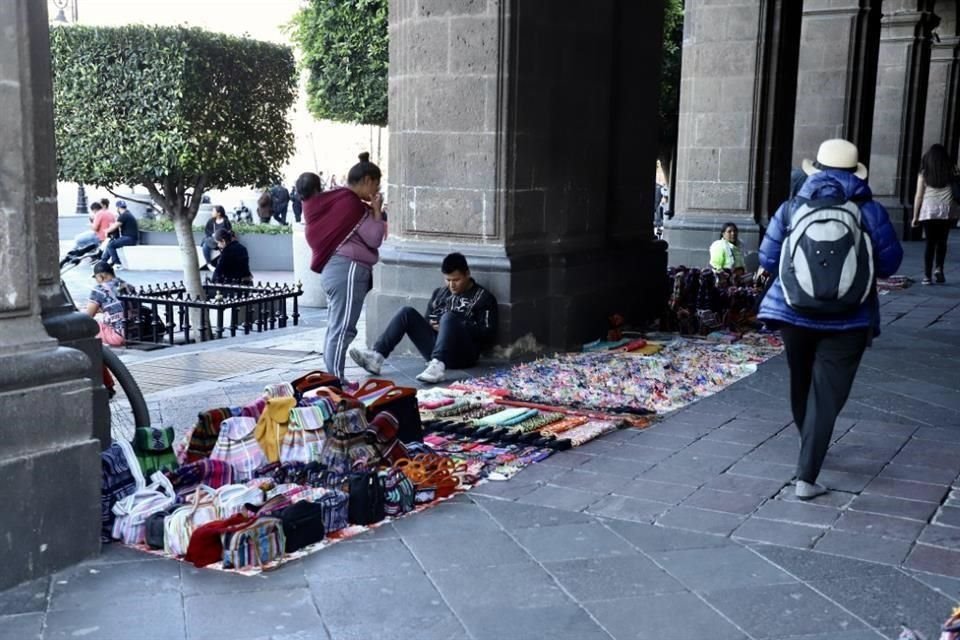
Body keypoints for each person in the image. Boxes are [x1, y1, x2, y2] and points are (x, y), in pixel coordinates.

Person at [758, 138, 902, 500]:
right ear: (856, 172)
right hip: (849, 319)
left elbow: (767, 257)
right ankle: (806, 476)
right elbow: (890, 263)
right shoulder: (869, 210)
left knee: (801, 382)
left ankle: (810, 443)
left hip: (794, 311)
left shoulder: (793, 206)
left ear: (817, 169)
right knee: (826, 395)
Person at [302, 152, 386, 384]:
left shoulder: (337, 198)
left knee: (336, 327)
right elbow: (374, 237)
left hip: (335, 269)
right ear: (368, 180)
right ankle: (336, 381)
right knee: (343, 328)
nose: (377, 189)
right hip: (347, 270)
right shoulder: (350, 204)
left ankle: (333, 377)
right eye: (376, 183)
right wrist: (377, 211)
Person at [350, 253, 498, 384]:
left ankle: (438, 367)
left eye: (456, 280)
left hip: (464, 354)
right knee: (406, 312)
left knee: (448, 317)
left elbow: (488, 333)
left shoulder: (483, 298)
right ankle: (377, 357)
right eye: (447, 280)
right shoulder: (440, 293)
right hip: (435, 349)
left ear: (467, 274)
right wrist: (434, 326)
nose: (451, 285)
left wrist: (455, 325)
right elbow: (427, 320)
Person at [911, 143, 957, 285]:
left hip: (929, 210)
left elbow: (919, 196)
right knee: (942, 242)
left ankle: (926, 276)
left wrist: (915, 216)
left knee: (930, 244)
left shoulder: (924, 172)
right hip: (947, 211)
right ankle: (939, 269)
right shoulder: (952, 170)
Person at [86, 261, 136, 346]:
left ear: (101, 276)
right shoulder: (128, 286)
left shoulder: (99, 289)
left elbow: (88, 316)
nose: (97, 281)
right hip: (137, 333)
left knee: (89, 324)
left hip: (120, 336)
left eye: (96, 278)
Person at [102, 200, 138, 268]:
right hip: (130, 238)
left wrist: (106, 231)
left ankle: (117, 263)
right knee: (111, 243)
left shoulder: (124, 215)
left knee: (111, 245)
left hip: (129, 238)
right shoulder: (127, 214)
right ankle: (103, 262)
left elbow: (115, 226)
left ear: (118, 208)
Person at [200, 205, 232, 271]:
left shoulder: (226, 221)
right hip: (213, 241)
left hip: (223, 241)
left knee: (225, 247)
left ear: (219, 213)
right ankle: (208, 264)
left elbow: (229, 232)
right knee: (205, 245)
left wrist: (221, 238)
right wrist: (213, 235)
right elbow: (207, 232)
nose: (212, 213)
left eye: (213, 211)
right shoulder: (211, 221)